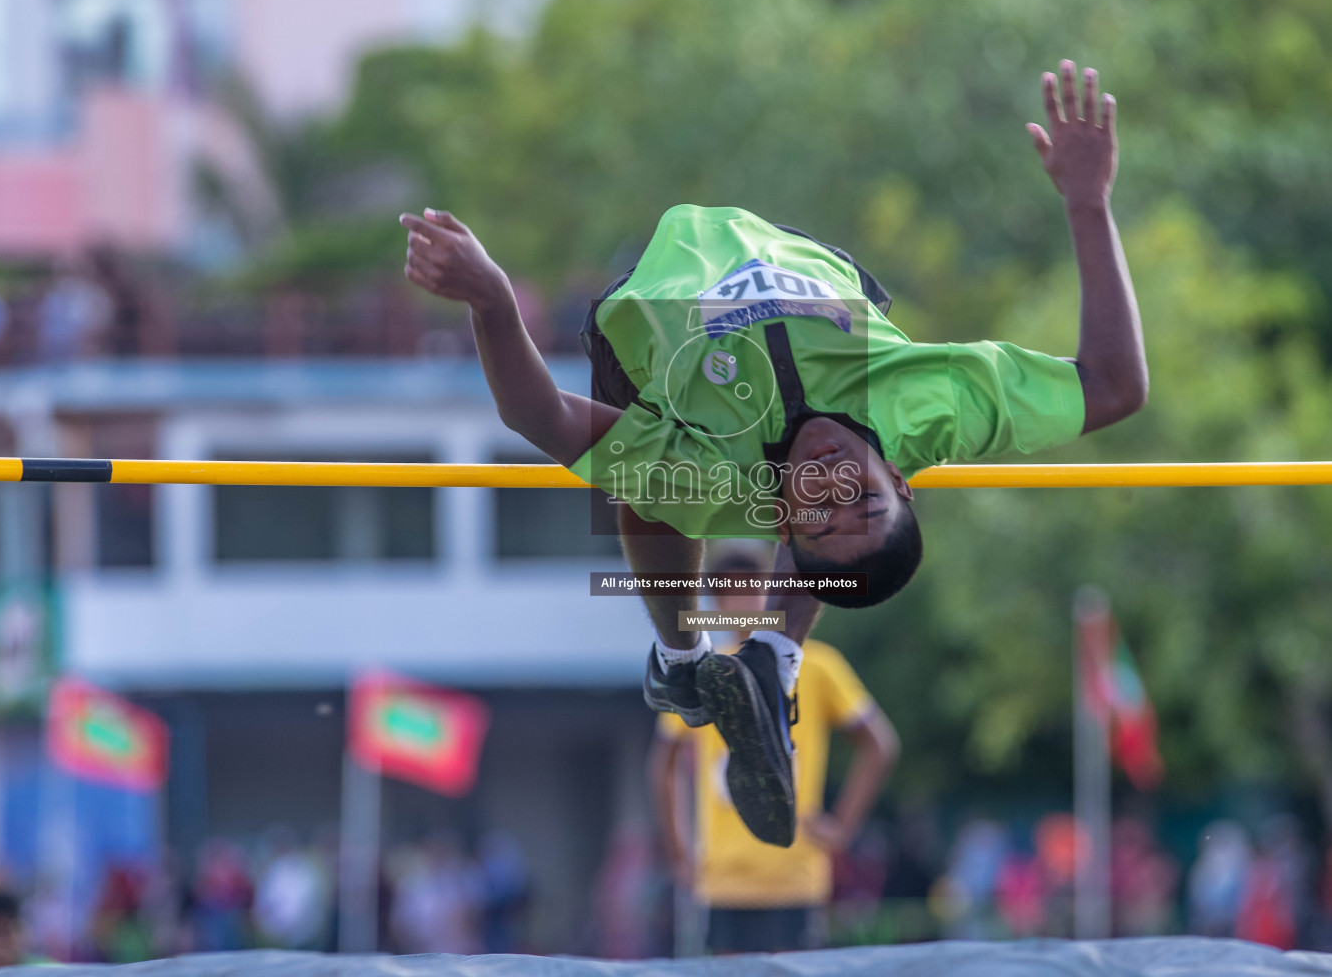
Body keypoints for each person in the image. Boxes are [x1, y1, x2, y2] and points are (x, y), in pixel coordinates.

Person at [401, 61, 1146, 846]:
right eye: (862, 496)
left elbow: (539, 413)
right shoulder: (935, 410)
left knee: (647, 482)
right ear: (902, 479)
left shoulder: (722, 476)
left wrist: (490, 299)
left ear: (782, 525)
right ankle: (771, 659)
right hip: (821, 275)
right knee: (788, 513)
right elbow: (1116, 384)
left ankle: (680, 656)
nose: (830, 482)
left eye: (819, 512)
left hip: (650, 313)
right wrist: (1088, 203)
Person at [649, 543, 899, 954]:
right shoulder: (704, 671)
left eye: (754, 588)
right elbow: (664, 761)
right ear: (717, 601)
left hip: (794, 875)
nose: (745, 599)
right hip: (722, 879)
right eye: (732, 591)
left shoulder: (817, 665)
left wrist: (841, 827)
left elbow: (879, 744)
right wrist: (678, 853)